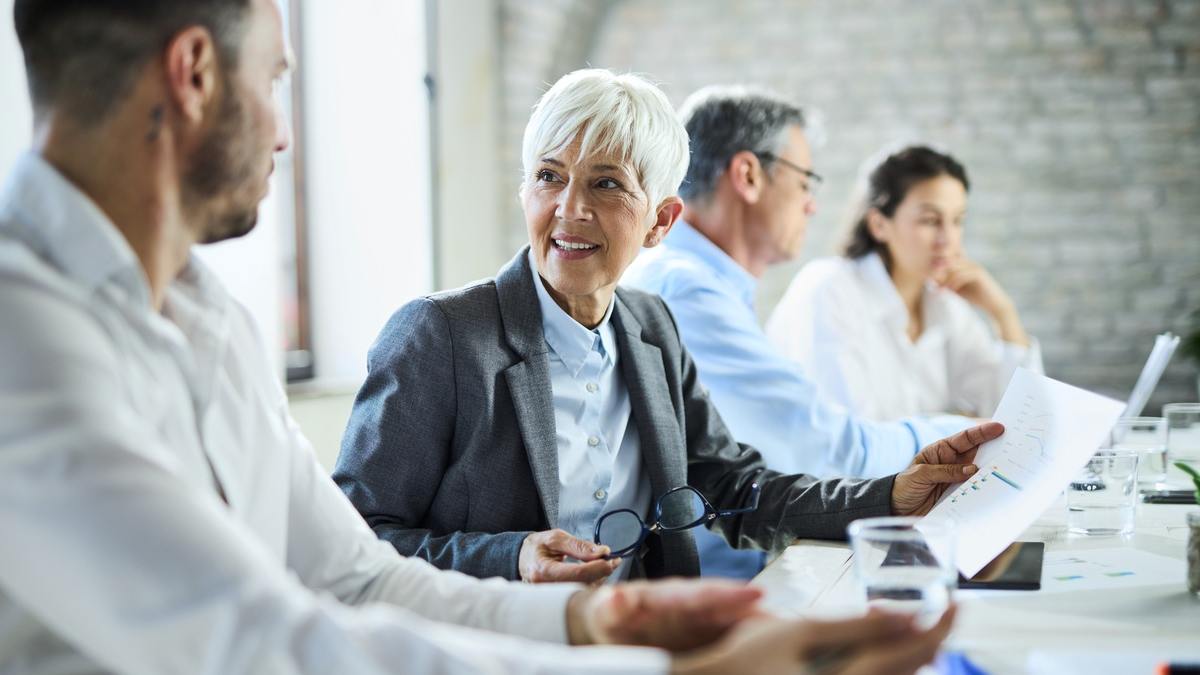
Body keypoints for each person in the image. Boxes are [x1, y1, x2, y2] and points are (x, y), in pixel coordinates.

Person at [0, 2, 960, 673]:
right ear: (196, 73)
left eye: (607, 185)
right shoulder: (23, 332)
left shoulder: (210, 316)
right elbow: (255, 638)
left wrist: (595, 619)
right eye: (277, 79)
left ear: (658, 219)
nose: (285, 134)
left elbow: (354, 574)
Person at [335, 69, 1000, 589]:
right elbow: (353, 543)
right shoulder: (439, 335)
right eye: (549, 177)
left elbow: (733, 488)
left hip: (643, 642)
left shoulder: (651, 328)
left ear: (660, 221)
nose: (569, 209)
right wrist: (511, 556)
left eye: (606, 184)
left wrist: (891, 495)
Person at [621, 87, 972, 579]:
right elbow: (829, 453)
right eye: (805, 181)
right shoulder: (684, 290)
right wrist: (967, 437)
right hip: (726, 583)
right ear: (748, 175)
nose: (812, 206)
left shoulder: (704, 284)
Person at [765, 144, 1042, 420]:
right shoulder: (829, 289)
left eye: (957, 220)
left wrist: (1003, 313)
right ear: (879, 225)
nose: (948, 239)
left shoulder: (945, 305)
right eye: (930, 221)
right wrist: (962, 423)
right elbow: (852, 432)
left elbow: (1022, 421)